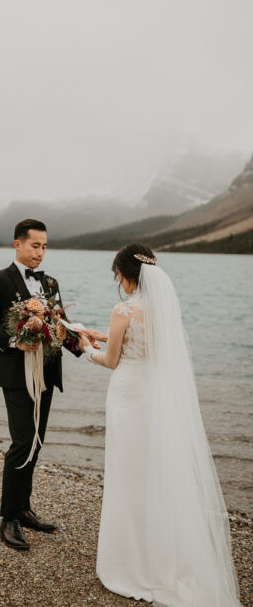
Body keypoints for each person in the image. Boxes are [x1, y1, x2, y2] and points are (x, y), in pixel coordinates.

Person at [79, 243, 241, 607]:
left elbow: (111, 360)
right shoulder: (163, 309)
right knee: (155, 471)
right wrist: (102, 333)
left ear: (123, 274)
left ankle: (132, 561)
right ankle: (163, 551)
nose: (117, 279)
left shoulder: (122, 309)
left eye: (116, 274)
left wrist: (85, 345)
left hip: (127, 395)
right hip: (154, 397)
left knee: (127, 471)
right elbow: (147, 345)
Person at [0, 218, 89, 550]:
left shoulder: (50, 283)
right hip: (15, 372)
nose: (40, 252)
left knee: (37, 441)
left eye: (44, 246)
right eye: (34, 246)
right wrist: (15, 339)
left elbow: (59, 325)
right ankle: (8, 519)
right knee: (22, 442)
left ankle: (24, 509)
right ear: (17, 244)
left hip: (47, 372)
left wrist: (82, 345)